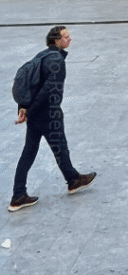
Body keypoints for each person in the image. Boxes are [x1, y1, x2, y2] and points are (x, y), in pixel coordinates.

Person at [9, 26, 96, 212]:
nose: (70, 39)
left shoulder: (42, 55)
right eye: (66, 37)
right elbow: (47, 90)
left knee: (29, 152)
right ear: (56, 40)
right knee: (60, 148)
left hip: (36, 115)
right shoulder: (56, 60)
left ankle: (19, 194)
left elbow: (29, 84)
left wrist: (24, 109)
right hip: (48, 114)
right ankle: (72, 180)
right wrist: (31, 110)